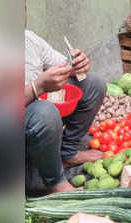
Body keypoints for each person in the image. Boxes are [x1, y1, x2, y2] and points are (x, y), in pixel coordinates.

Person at [25, 5, 106, 195]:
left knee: (93, 84)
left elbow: (64, 67)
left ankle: (67, 154)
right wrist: (37, 87)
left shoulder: (29, 39)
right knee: (44, 112)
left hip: (35, 112)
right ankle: (55, 183)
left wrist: (78, 64)